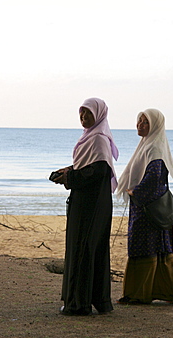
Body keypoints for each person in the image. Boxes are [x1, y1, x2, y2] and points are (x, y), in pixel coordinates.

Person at [51, 97, 119, 315]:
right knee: (91, 249)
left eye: (88, 113)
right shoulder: (91, 138)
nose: (83, 117)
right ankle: (97, 300)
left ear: (98, 115)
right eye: (81, 113)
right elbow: (87, 166)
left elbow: (97, 172)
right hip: (91, 203)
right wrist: (68, 171)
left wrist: (70, 177)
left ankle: (79, 304)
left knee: (83, 248)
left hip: (91, 205)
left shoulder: (98, 139)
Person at [116, 108, 173, 305]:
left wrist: (135, 192)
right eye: (139, 121)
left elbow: (154, 177)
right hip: (149, 207)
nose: (140, 125)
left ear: (155, 125)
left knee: (145, 249)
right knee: (159, 249)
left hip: (147, 209)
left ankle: (139, 294)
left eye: (145, 122)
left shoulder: (154, 148)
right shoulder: (148, 144)